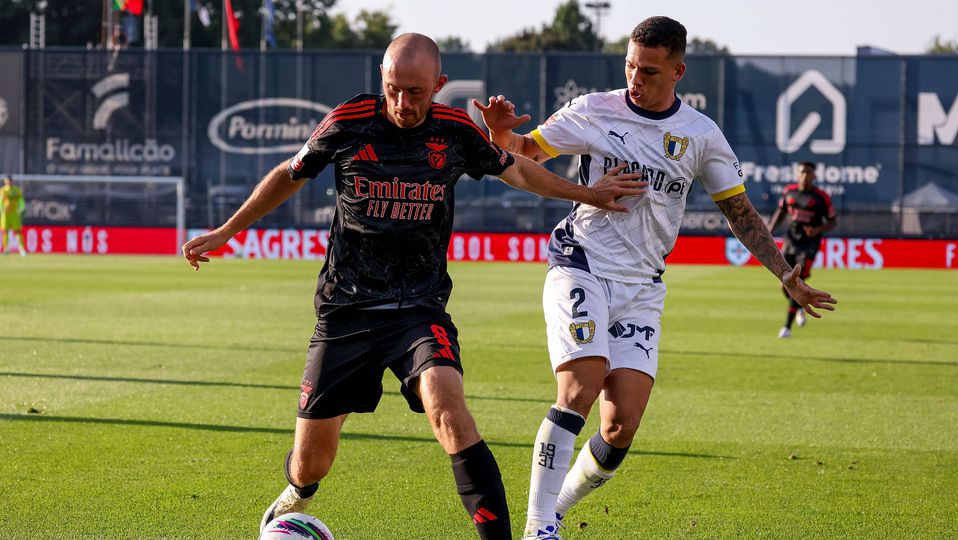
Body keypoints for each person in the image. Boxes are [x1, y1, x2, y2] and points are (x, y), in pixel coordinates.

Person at [182, 33, 645, 539]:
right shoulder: (348, 122)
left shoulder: (455, 131)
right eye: (393, 89)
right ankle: (298, 492)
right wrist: (227, 230)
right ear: (382, 81)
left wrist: (588, 194)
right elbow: (289, 174)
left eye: (416, 92)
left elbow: (519, 172)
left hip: (418, 310)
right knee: (313, 461)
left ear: (439, 85)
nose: (403, 102)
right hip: (346, 309)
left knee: (450, 411)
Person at [474, 16, 837, 540]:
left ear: (678, 71)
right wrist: (500, 133)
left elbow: (739, 211)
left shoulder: (700, 135)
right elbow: (525, 153)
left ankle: (555, 511)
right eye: (629, 66)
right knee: (580, 385)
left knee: (619, 429)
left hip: (642, 286)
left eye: (647, 70)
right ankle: (537, 528)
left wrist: (785, 274)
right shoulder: (593, 109)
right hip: (582, 264)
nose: (634, 79)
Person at [767, 161, 838, 338]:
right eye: (802, 172)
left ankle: (787, 327)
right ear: (797, 174)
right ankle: (800, 306)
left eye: (808, 172)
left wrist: (816, 230)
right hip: (790, 242)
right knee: (784, 285)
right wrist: (768, 231)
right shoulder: (788, 191)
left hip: (808, 246)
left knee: (797, 281)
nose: (805, 175)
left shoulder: (821, 197)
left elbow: (832, 222)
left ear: (814, 176)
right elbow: (781, 212)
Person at [1, 176, 26, 256]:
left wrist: (22, 208)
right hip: (5, 214)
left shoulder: (17, 190)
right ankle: (6, 249)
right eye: (7, 181)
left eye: (10, 181)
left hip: (14, 213)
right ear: (5, 181)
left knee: (18, 231)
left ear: (12, 181)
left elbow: (21, 200)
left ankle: (22, 249)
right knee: (5, 232)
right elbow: (0, 202)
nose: (8, 182)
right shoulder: (3, 190)